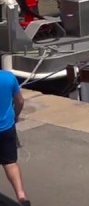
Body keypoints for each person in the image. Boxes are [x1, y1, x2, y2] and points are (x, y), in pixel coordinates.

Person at [0, 66, 27, 206]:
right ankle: (21, 196)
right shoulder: (8, 77)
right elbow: (20, 101)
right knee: (10, 163)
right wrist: (16, 115)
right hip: (6, 128)